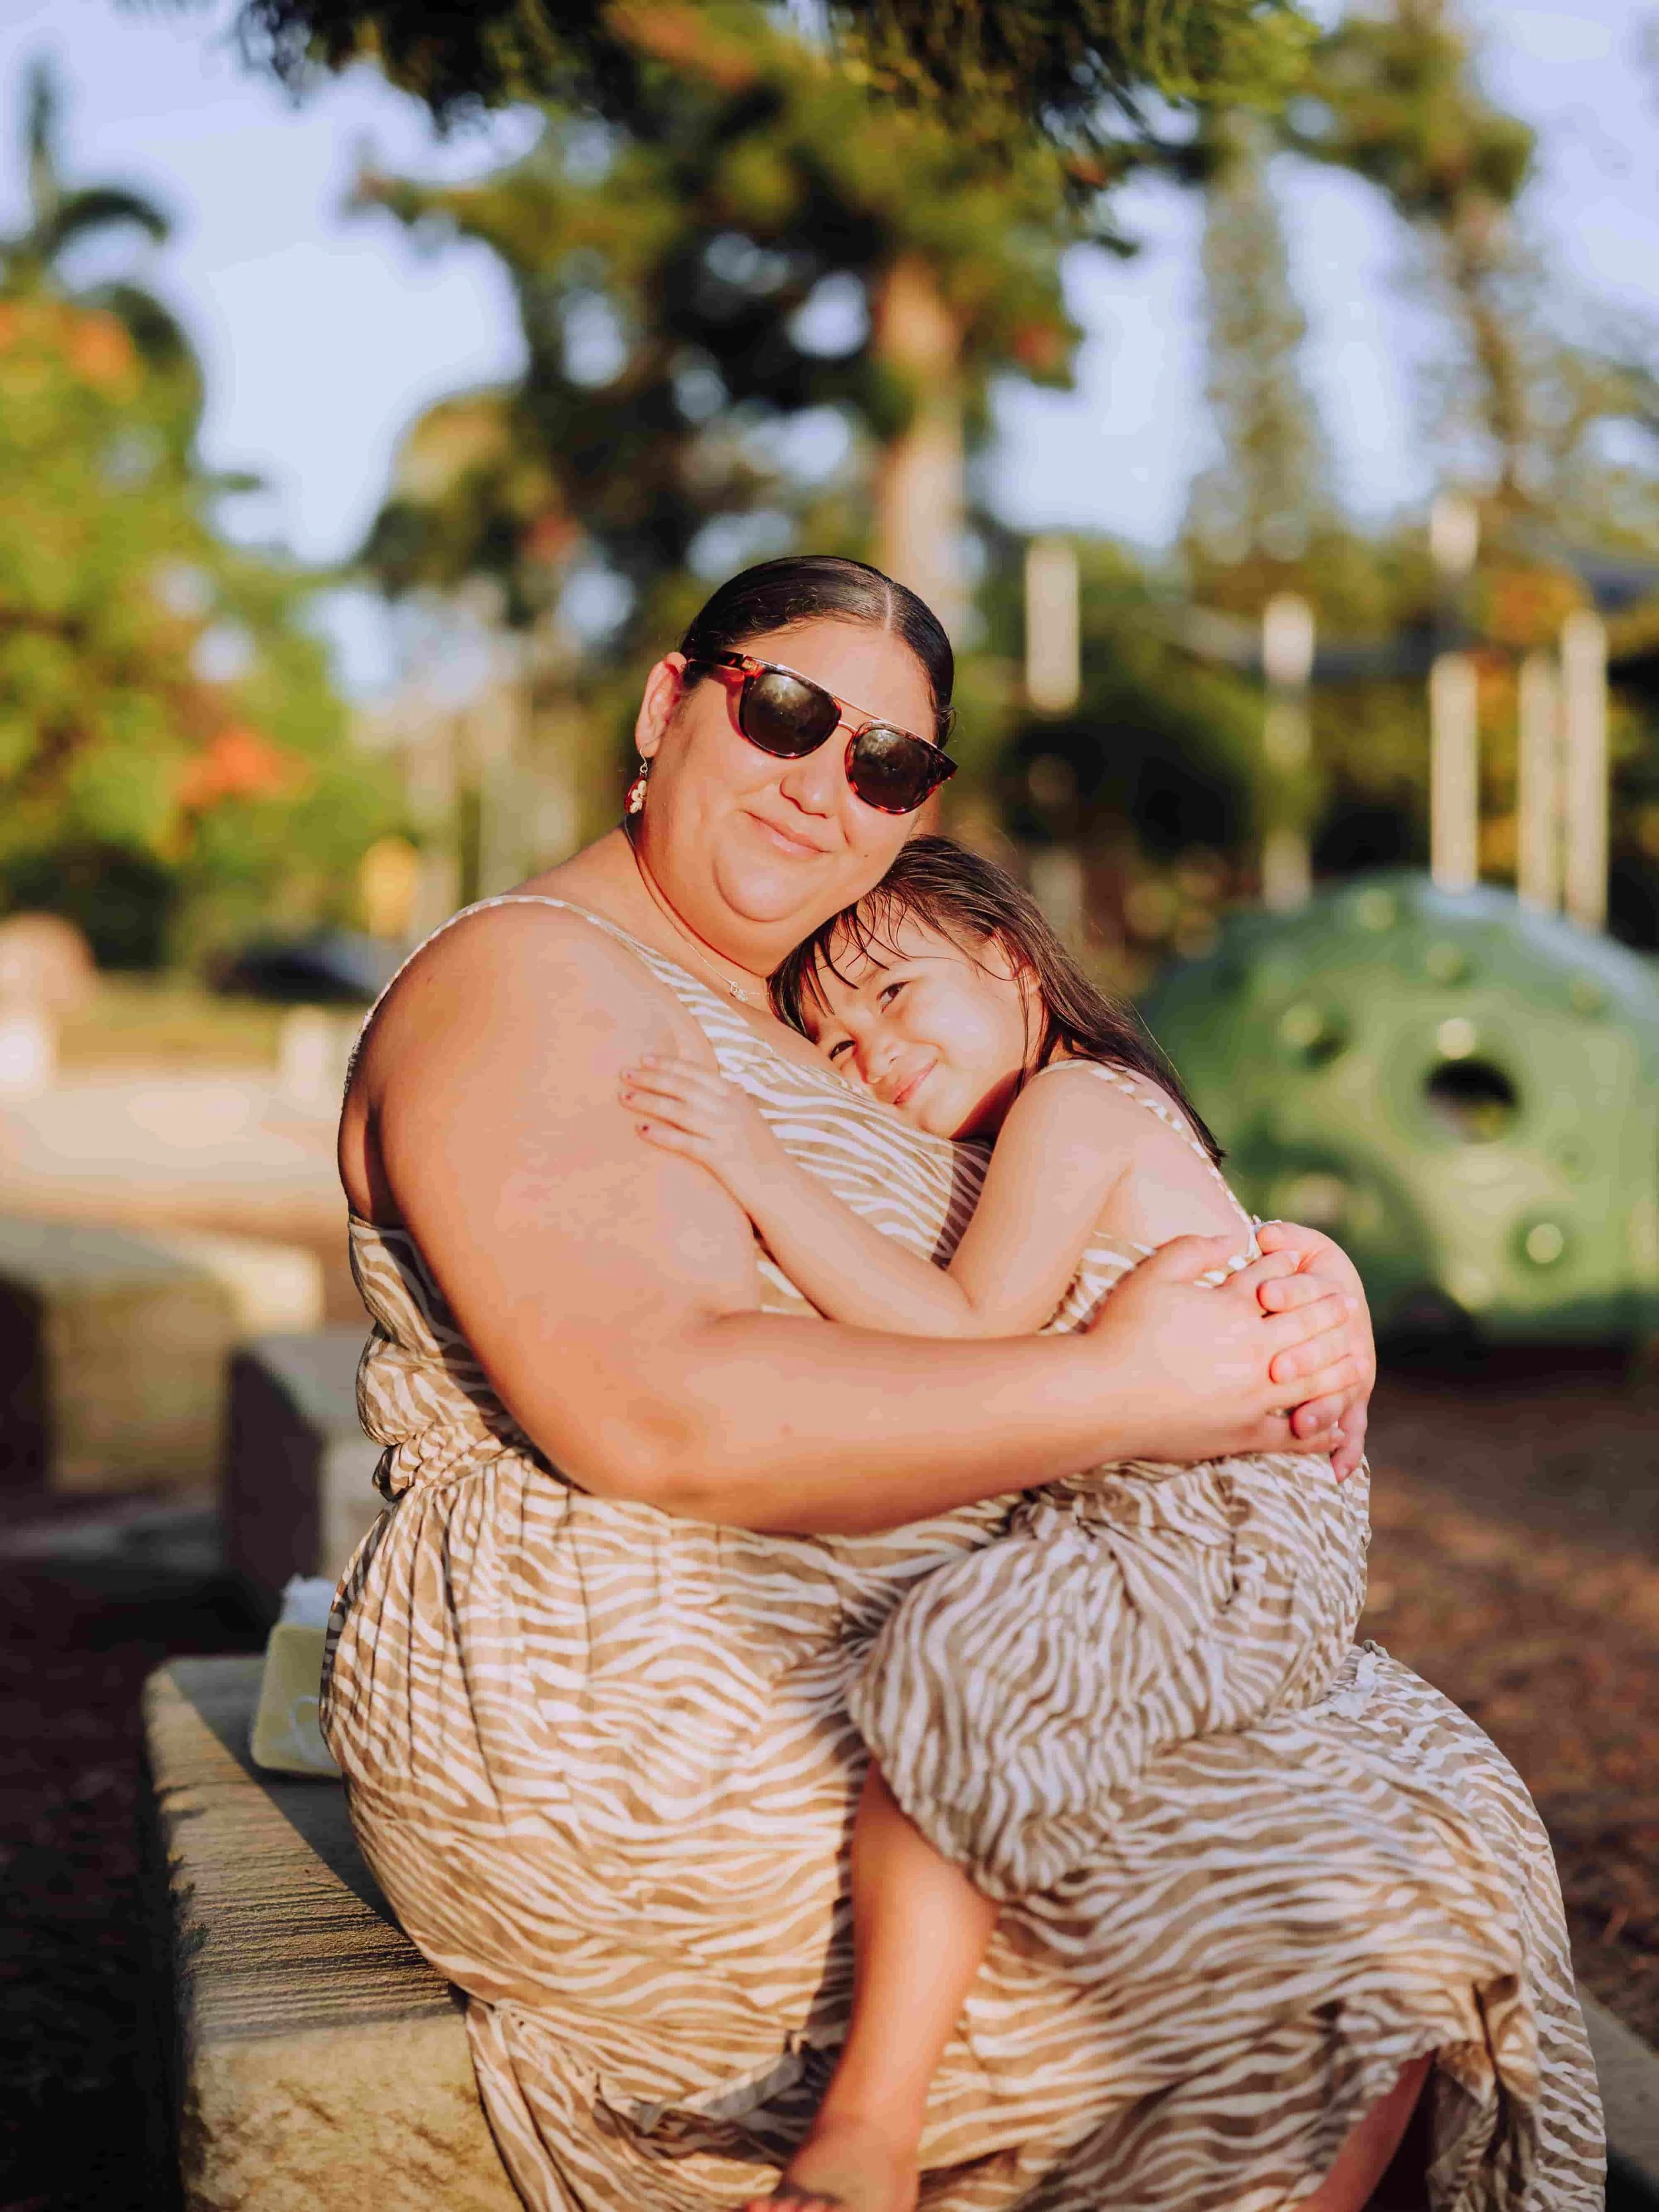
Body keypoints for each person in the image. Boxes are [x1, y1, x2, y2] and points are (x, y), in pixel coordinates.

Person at [325, 555, 1601, 2212]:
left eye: (886, 764)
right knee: (1334, 1898)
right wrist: (1131, 1386)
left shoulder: (798, 1008)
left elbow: (1058, 1222)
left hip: (949, 1654)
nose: (822, 782)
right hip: (661, 1721)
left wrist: (1282, 1288)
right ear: (665, 704)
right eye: (784, 711)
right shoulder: (536, 976)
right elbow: (654, 1409)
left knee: (1417, 1833)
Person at [617, 834, 1372, 2212]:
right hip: (1232, 1515)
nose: (872, 1059)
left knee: (959, 1651)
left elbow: (962, 1330)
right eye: (833, 1048)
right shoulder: (1088, 1113)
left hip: (1214, 1517)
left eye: (897, 996)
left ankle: (867, 2127)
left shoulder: (1075, 1104)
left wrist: (747, 1156)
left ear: (1013, 963)